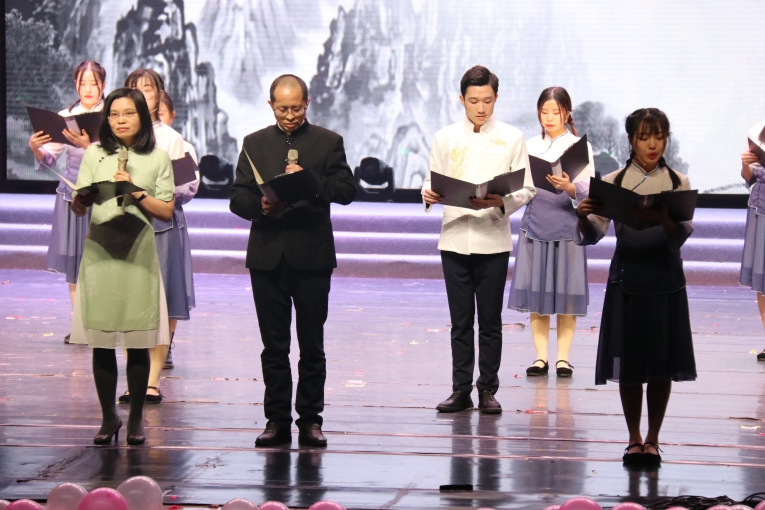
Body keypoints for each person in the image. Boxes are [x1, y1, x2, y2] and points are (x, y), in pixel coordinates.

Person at [230, 74, 356, 447]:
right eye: (282, 108)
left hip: (312, 255)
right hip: (267, 255)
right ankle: (276, 421)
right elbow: (238, 197)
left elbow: (346, 190)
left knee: (312, 344)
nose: (289, 115)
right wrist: (261, 206)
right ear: (271, 105)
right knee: (274, 346)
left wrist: (311, 181)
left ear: (308, 103)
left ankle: (311, 421)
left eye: (296, 108)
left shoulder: (328, 142)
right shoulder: (254, 143)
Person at [575, 108, 696, 467]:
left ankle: (653, 439)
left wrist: (664, 220)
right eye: (644, 137)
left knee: (661, 363)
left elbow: (680, 237)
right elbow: (593, 233)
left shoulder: (678, 182)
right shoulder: (614, 181)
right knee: (628, 363)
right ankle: (633, 439)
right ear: (631, 140)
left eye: (659, 136)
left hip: (666, 281)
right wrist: (582, 216)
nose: (653, 144)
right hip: (627, 279)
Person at [422, 65, 535, 415]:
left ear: (496, 98)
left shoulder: (512, 137)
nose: (481, 108)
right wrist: (428, 193)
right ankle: (460, 389)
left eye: (487, 100)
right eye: (473, 101)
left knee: (489, 320)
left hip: (492, 239)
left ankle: (487, 388)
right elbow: (430, 181)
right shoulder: (444, 137)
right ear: (461, 99)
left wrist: (501, 201)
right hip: (455, 237)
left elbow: (527, 188)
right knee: (460, 321)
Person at [69, 87, 175, 445]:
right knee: (101, 343)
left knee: (138, 341)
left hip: (138, 255)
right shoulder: (95, 153)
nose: (120, 120)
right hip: (100, 253)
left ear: (142, 116)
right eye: (114, 114)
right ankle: (108, 418)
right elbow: (79, 207)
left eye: (128, 113)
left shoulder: (157, 157)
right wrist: (82, 200)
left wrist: (135, 191)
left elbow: (166, 211)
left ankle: (135, 420)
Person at [117, 69, 195, 404]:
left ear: (159, 96)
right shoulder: (116, 135)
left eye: (147, 90)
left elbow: (185, 188)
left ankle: (152, 380)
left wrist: (150, 189)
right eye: (133, 89)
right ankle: (134, 378)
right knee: (130, 304)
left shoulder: (171, 139)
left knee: (163, 301)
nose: (140, 95)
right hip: (125, 224)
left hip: (161, 224)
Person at [507, 87, 595, 378]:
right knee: (538, 294)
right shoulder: (530, 145)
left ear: (567, 113)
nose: (549, 117)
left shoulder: (579, 147)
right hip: (535, 225)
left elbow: (589, 190)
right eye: (544, 112)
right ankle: (541, 357)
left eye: (555, 112)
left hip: (568, 226)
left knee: (566, 295)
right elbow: (519, 185)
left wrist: (570, 188)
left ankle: (563, 359)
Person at [27, 61, 106, 343]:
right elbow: (50, 158)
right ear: (76, 85)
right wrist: (36, 149)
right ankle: (80, 325)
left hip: (103, 197)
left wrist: (89, 146)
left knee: (99, 262)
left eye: (94, 83)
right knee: (74, 263)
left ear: (103, 85)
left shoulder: (112, 115)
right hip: (73, 196)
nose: (88, 89)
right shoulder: (66, 116)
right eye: (83, 83)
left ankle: (101, 323)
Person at [157, 91, 200, 369]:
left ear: (171, 116)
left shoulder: (181, 145)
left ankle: (166, 344)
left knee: (170, 286)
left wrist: (162, 189)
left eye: (160, 114)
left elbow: (190, 187)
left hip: (168, 217)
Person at [739, 119, 765, 362]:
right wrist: (746, 163)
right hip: (761, 213)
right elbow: (750, 177)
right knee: (762, 280)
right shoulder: (759, 133)